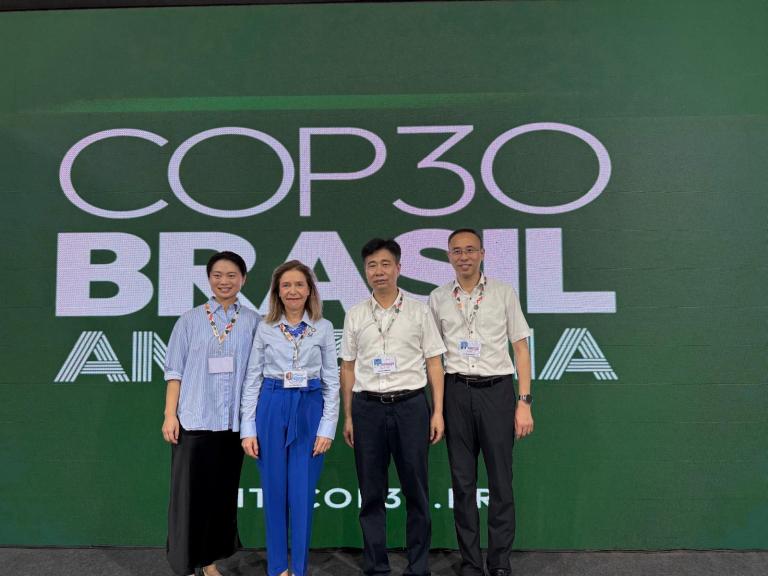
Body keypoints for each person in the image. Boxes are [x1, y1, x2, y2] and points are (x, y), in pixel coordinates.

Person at [428, 229, 533, 576]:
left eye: (470, 250)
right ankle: (471, 563)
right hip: (457, 391)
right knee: (463, 483)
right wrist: (439, 410)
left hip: (497, 393)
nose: (464, 256)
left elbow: (520, 348)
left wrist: (524, 401)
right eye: (457, 251)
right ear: (449, 257)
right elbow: (433, 357)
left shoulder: (503, 292)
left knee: (501, 481)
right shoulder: (438, 298)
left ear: (483, 253)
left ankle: (499, 563)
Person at [340, 238, 446, 576]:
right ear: (365, 271)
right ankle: (376, 567)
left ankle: (418, 567)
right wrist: (349, 416)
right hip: (367, 408)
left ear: (398, 268)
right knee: (371, 494)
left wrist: (438, 411)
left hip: (411, 407)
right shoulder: (355, 314)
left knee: (417, 491)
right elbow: (348, 367)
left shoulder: (419, 311)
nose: (379, 271)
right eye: (372, 265)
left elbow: (434, 363)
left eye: (386, 264)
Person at [162, 251, 261, 576]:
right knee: (189, 499)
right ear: (209, 279)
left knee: (220, 500)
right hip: (194, 421)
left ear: (243, 279)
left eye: (232, 275)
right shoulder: (189, 320)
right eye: (218, 275)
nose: (224, 281)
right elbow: (174, 371)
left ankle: (209, 562)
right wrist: (169, 414)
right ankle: (185, 563)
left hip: (232, 426)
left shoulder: (252, 321)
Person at [240, 260, 339, 576]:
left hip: (309, 408)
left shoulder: (322, 327)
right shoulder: (266, 328)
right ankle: (278, 568)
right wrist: (248, 428)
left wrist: (327, 428)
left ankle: (299, 567)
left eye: (299, 284)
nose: (293, 291)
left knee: (302, 492)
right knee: (274, 490)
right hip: (272, 405)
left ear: (309, 289)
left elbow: (332, 381)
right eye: (286, 285)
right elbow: (252, 378)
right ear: (277, 292)